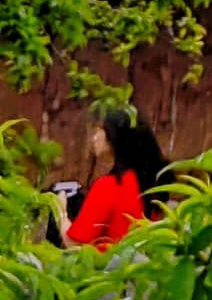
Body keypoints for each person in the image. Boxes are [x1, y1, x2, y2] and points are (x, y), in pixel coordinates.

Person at [62, 106, 168, 250]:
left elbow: (75, 244)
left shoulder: (109, 187)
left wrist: (60, 210)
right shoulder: (151, 182)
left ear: (112, 135)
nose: (94, 138)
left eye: (98, 130)